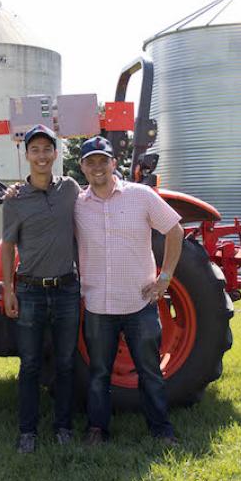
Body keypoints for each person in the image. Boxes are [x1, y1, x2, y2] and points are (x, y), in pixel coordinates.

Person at [74, 136, 184, 446]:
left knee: (150, 371)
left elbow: (175, 230)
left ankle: (161, 429)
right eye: (90, 162)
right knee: (98, 374)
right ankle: (97, 429)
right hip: (98, 305)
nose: (97, 167)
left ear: (113, 163)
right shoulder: (78, 205)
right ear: (82, 167)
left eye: (102, 160)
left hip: (139, 303)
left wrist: (165, 276)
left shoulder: (141, 196)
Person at [0, 124, 82, 454]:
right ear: (27, 156)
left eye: (47, 149)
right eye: (35, 150)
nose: (42, 155)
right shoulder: (15, 199)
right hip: (31, 291)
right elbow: (7, 247)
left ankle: (63, 427)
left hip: (66, 290)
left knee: (65, 362)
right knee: (30, 364)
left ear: (56, 153)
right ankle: (27, 432)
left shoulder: (71, 189)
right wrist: (8, 290)